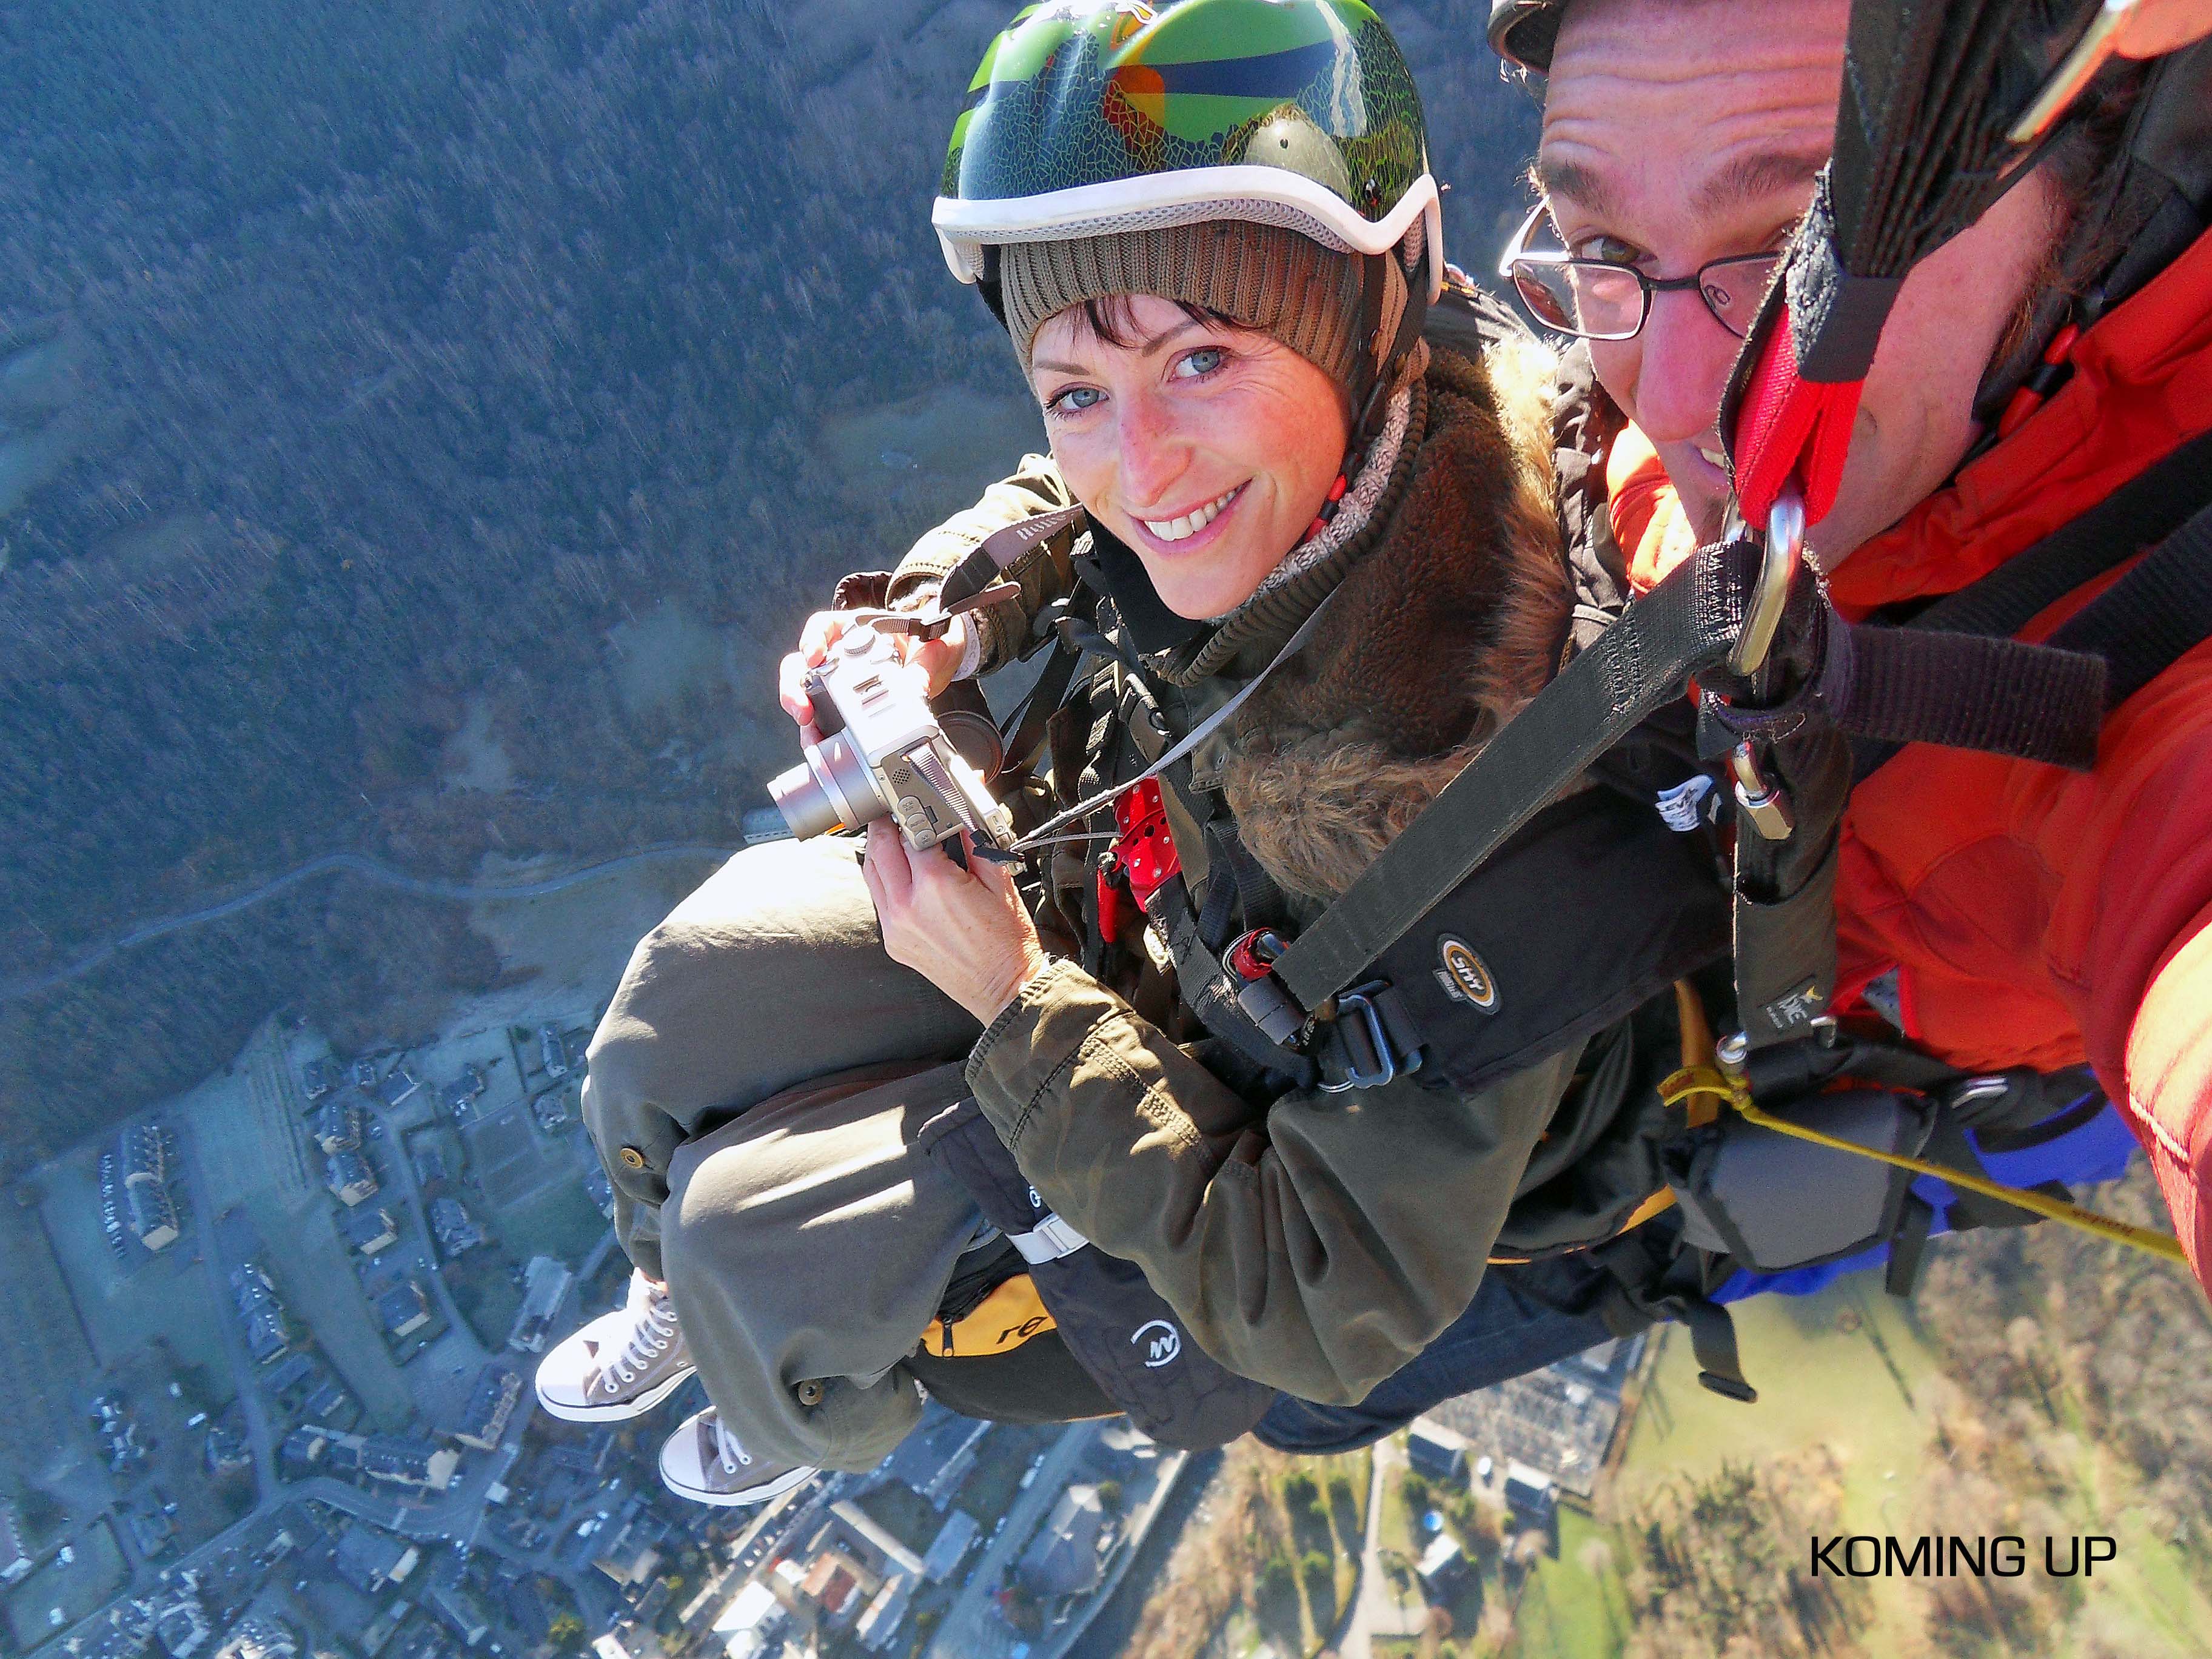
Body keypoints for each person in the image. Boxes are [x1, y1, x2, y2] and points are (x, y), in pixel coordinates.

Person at [543, 0, 1709, 1501]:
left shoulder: (1493, 807)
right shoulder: (1380, 408)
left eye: (1205, 361)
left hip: (1217, 1166)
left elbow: (1314, 1298)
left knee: (755, 1248)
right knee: (673, 1014)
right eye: (1081, 386)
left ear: (1373, 311)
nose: (1138, 466)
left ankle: (783, 1408)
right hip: (1128, 930)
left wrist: (1011, 1000)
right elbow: (1069, 497)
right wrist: (941, 619)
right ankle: (684, 1309)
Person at [1481, 0, 2212, 1299]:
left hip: (1866, 1086)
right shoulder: (1805, 401)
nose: (1678, 390)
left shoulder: (2163, 640)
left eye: (1792, 250)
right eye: (1604, 242)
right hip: (1737, 946)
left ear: (2092, 179)